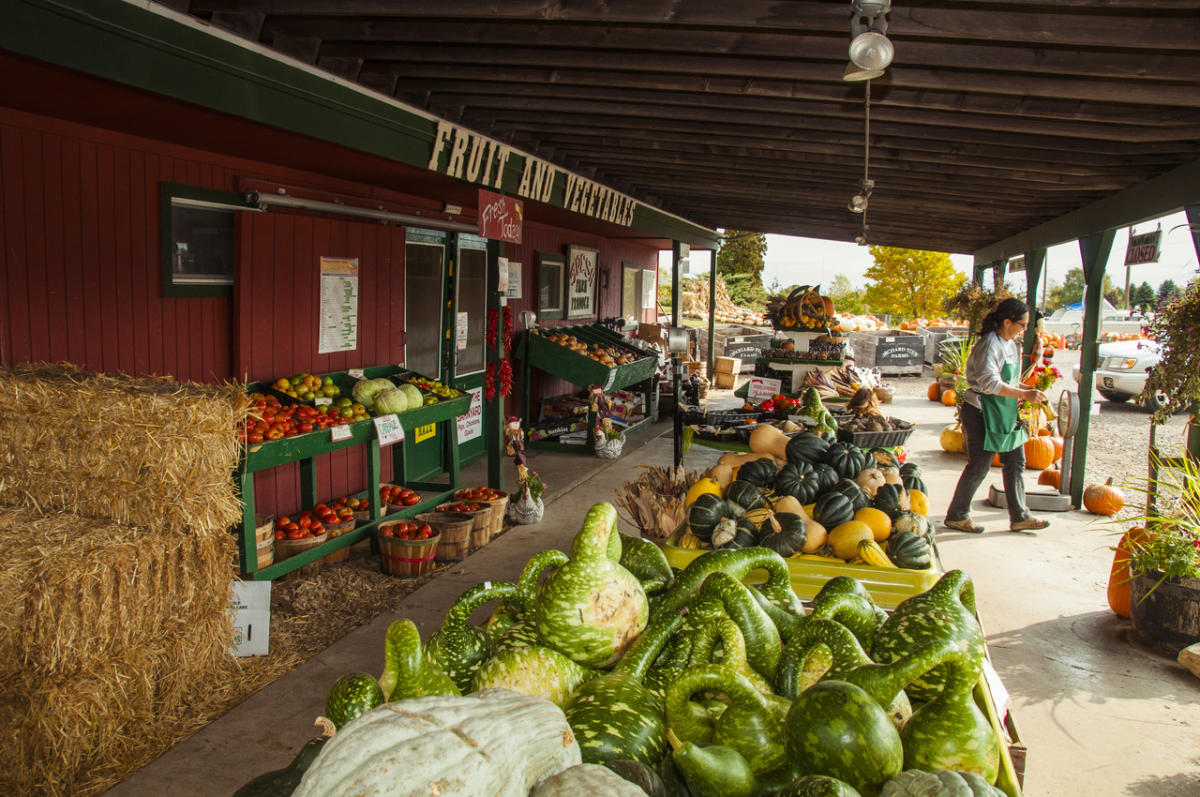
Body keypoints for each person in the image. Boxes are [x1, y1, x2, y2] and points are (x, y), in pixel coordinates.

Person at [944, 298, 1050, 533]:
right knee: (979, 465)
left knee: (1015, 461)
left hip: (1004, 412)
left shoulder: (1010, 344)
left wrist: (1028, 389)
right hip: (982, 411)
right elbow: (989, 382)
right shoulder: (989, 344)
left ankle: (1020, 516)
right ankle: (957, 515)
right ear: (1007, 321)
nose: (1024, 330)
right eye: (1021, 325)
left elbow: (1007, 381)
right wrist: (1024, 393)